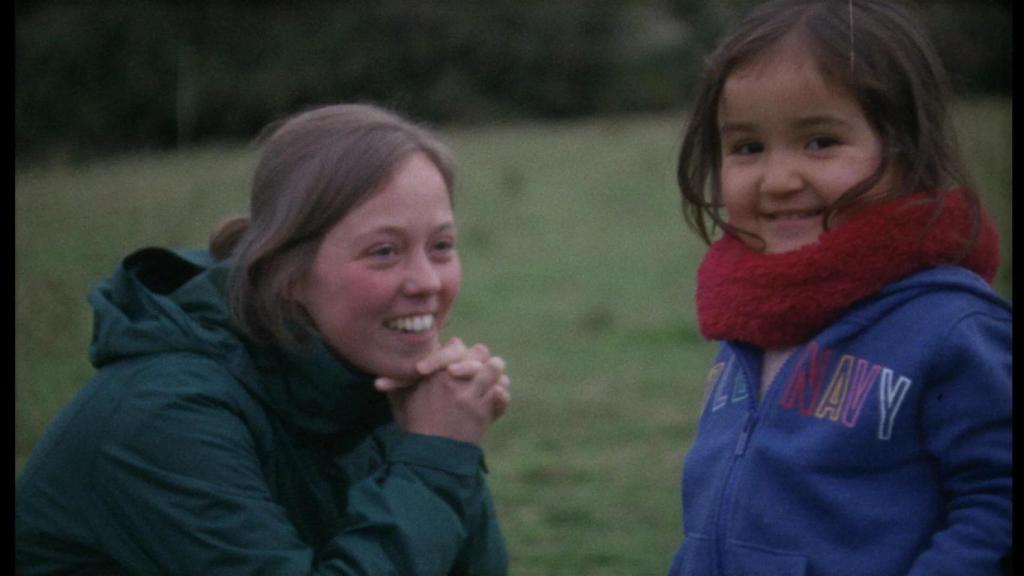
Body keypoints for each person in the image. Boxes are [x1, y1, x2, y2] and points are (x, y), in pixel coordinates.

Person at [15, 103, 511, 575]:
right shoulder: (166, 414)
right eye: (384, 251)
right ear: (286, 274)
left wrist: (445, 448)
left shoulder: (361, 377)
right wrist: (435, 457)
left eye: (441, 246)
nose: (427, 281)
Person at [667, 1, 1011, 575]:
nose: (778, 180)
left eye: (820, 141)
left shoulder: (954, 328)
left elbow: (997, 505)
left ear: (905, 149)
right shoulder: (750, 319)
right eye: (748, 147)